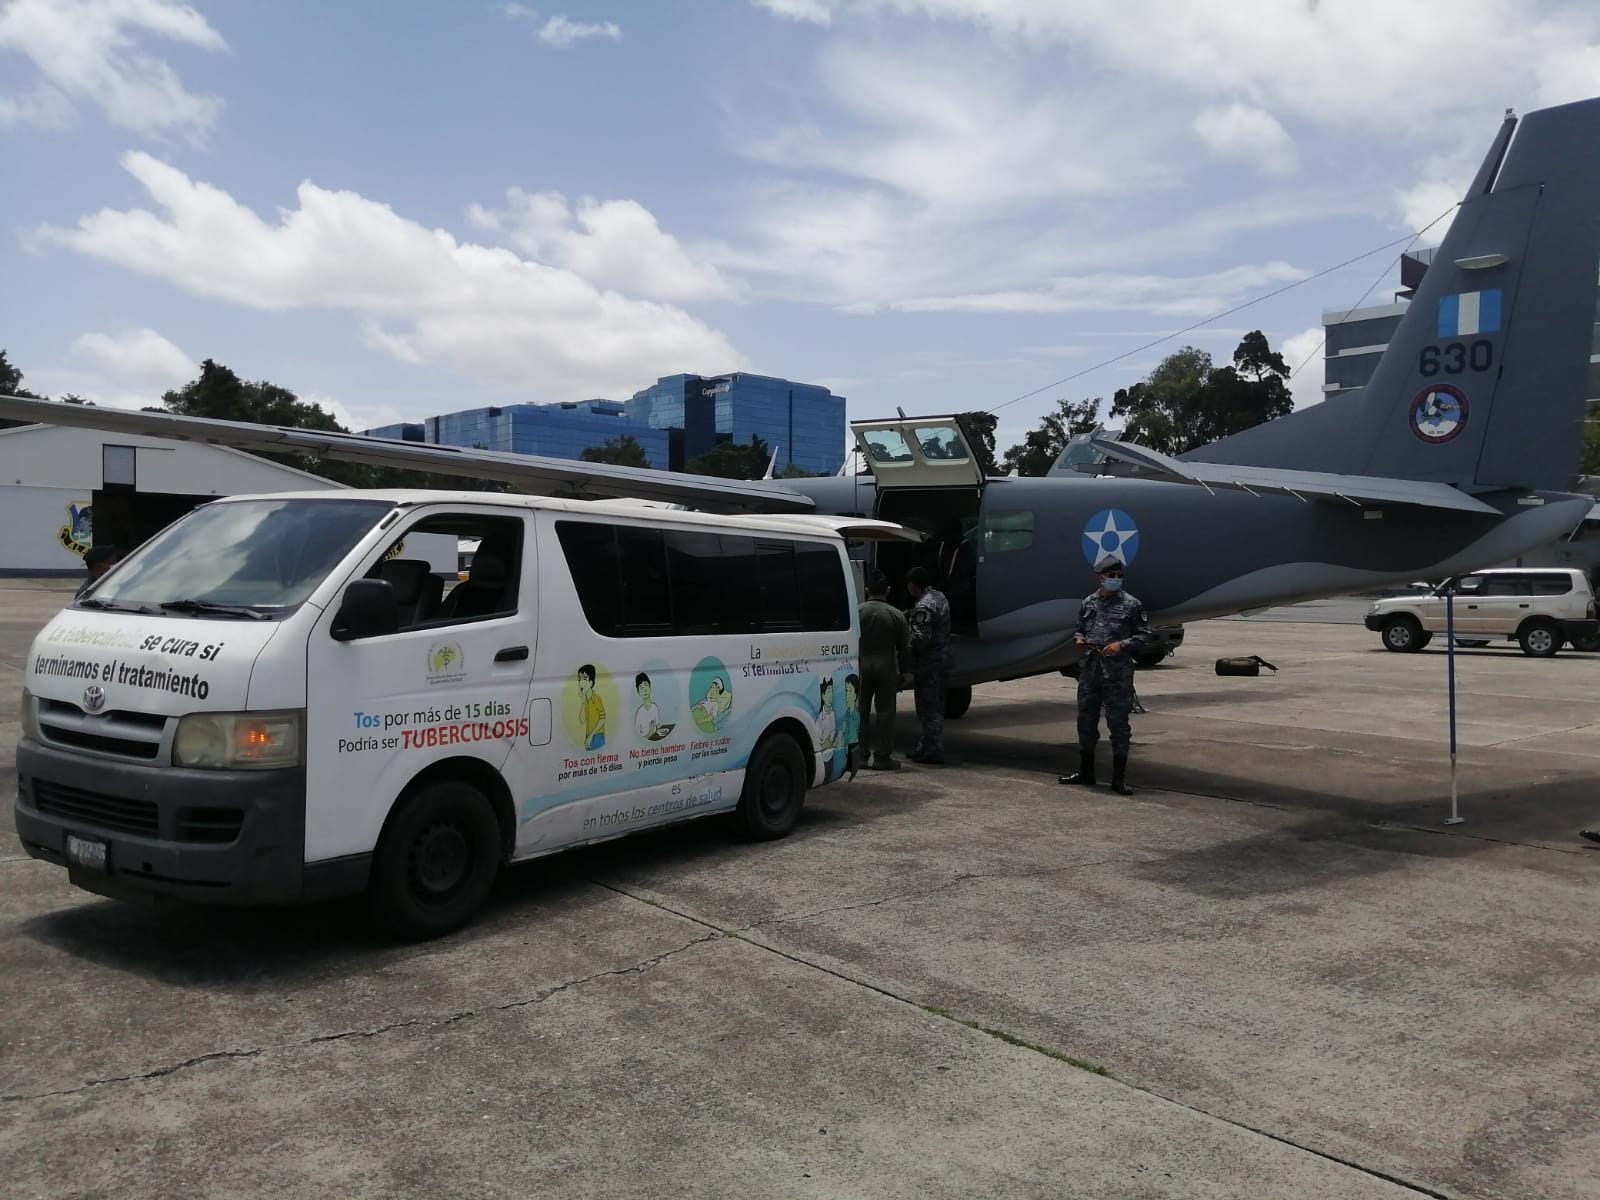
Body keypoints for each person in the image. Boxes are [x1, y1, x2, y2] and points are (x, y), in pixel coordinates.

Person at [1059, 557, 1151, 796]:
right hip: (1091, 670)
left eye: (1119, 576)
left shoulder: (1132, 604)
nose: (1116, 579)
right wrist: (1080, 639)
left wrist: (1121, 645)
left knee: (1118, 723)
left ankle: (1118, 779)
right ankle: (1086, 772)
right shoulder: (1089, 602)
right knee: (1086, 720)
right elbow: (1080, 628)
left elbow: (1144, 636)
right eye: (1111, 576)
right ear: (1100, 577)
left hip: (1117, 673)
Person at [858, 571, 911, 770]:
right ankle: (882, 757)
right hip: (886, 666)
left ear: (866, 590)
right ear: (888, 590)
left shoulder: (857, 612)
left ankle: (860, 756)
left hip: (861, 665)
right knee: (886, 713)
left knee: (859, 712)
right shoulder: (896, 614)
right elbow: (905, 648)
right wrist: (906, 672)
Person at [905, 565, 952, 765]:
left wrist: (904, 643)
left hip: (928, 664)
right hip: (942, 661)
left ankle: (933, 750)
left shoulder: (923, 606)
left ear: (913, 585)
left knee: (928, 709)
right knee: (935, 706)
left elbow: (920, 639)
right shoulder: (939, 597)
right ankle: (924, 747)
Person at [577, 664, 606, 751]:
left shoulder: (597, 699)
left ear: (591, 683)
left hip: (597, 736)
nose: (581, 682)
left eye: (584, 679)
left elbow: (602, 719)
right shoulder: (585, 700)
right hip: (588, 735)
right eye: (579, 679)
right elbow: (582, 720)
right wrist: (583, 703)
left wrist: (591, 736)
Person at [633, 672, 661, 739]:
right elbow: (637, 737)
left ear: (650, 687)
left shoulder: (655, 707)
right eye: (641, 687)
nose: (645, 690)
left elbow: (658, 727)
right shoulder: (639, 713)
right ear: (638, 692)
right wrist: (650, 733)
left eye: (646, 685)